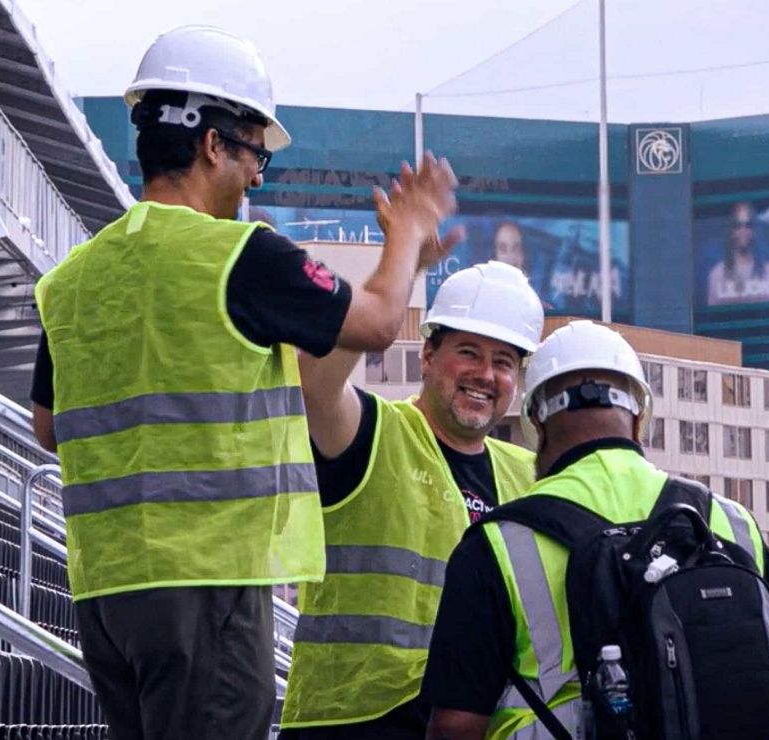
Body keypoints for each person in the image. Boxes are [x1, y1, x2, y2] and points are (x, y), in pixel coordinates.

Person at [28, 24, 459, 740]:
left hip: (106, 591)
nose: (258, 176)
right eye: (255, 152)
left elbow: (50, 425)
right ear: (211, 143)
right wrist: (408, 234)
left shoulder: (73, 279)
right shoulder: (241, 257)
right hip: (209, 585)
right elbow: (379, 323)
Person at [419, 320, 769, 740]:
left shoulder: (499, 543)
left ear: (537, 423)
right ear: (639, 416)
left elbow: (456, 725)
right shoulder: (733, 524)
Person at [277, 259, 546, 740]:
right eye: (469, 352)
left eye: (503, 362)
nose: (485, 374)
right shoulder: (375, 430)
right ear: (427, 356)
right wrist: (399, 265)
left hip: (471, 721)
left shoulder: (528, 474)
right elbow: (314, 385)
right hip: (353, 720)